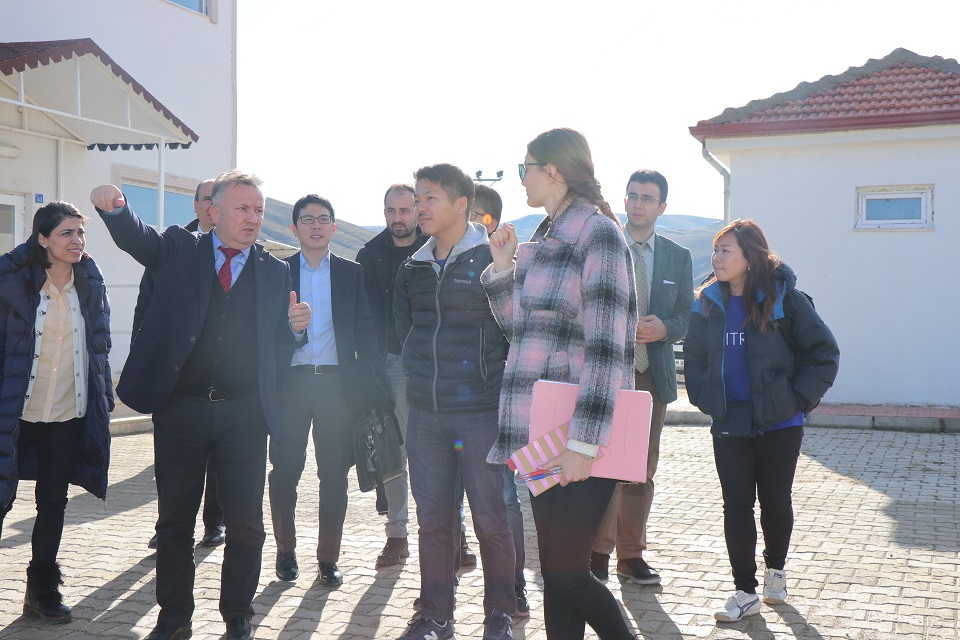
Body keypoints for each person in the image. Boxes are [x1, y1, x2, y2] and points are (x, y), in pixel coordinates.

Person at [91, 171, 311, 640]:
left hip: (244, 415)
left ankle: (238, 616)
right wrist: (116, 209)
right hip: (182, 410)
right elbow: (139, 238)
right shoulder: (179, 249)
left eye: (258, 210)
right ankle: (175, 617)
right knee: (175, 521)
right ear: (214, 211)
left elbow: (276, 343)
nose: (253, 218)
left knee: (246, 523)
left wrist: (294, 330)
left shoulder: (275, 271)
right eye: (242, 209)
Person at [483, 128, 637, 640]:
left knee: (568, 572)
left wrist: (584, 443)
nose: (520, 178)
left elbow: (609, 347)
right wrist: (503, 268)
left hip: (576, 432)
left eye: (524, 168)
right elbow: (521, 332)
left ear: (552, 171)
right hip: (542, 429)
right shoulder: (547, 237)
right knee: (555, 574)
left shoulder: (598, 234)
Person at [683, 219, 839, 622]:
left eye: (725, 250)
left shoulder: (784, 298)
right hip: (730, 421)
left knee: (775, 502)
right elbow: (694, 357)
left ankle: (776, 571)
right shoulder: (706, 302)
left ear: (750, 257)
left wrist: (796, 400)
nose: (716, 258)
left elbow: (824, 352)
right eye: (715, 250)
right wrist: (704, 396)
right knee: (736, 505)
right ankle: (744, 591)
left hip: (780, 422)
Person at [393, 163, 515, 640]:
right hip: (425, 414)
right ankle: (435, 617)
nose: (419, 207)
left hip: (480, 412)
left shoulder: (492, 258)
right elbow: (405, 331)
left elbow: (513, 328)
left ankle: (499, 615)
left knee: (491, 519)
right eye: (417, 198)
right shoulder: (413, 267)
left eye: (430, 198)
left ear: (461, 204)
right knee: (434, 521)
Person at [269, 194, 392, 586]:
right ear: (294, 228)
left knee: (334, 476)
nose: (316, 226)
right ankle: (285, 550)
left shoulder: (351, 273)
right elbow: (264, 331)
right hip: (291, 385)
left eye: (323, 219)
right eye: (307, 220)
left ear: (334, 227)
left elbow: (366, 329)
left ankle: (328, 559)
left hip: (336, 386)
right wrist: (291, 329)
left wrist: (370, 377)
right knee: (284, 472)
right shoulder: (278, 272)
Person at [0, 202, 113, 624]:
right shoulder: (12, 283)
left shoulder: (91, 284)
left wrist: (103, 397)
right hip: (14, 412)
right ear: (43, 238)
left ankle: (42, 591)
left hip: (67, 411)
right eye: (67, 233)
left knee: (53, 502)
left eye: (81, 233)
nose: (77, 241)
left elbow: (99, 346)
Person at [591, 170, 693, 584]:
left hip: (652, 375)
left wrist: (666, 328)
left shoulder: (677, 256)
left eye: (647, 198)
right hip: (608, 373)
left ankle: (631, 555)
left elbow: (687, 314)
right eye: (632, 195)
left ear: (661, 207)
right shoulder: (605, 247)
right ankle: (597, 554)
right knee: (603, 464)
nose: (638, 203)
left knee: (641, 468)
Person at [134, 179, 225, 551]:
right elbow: (146, 304)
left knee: (219, 457)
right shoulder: (171, 246)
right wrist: (143, 356)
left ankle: (214, 522)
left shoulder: (241, 251)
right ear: (197, 205)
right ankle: (168, 524)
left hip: (220, 377)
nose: (212, 206)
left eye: (217, 199)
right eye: (206, 199)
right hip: (174, 375)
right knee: (170, 462)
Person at [356, 183, 427, 569]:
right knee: (394, 451)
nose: (397, 218)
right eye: (391, 211)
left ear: (416, 210)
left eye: (404, 210)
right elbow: (362, 316)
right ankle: (397, 534)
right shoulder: (369, 255)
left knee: (438, 449)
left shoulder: (436, 247)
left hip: (434, 364)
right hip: (391, 364)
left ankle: (453, 533)